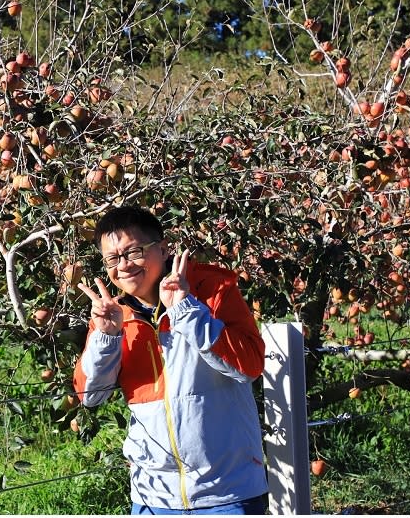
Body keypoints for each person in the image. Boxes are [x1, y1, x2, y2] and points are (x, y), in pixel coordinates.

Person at [72, 205, 268, 515]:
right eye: (112, 258)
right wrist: (106, 337)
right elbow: (90, 396)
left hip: (227, 492)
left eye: (134, 252)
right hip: (153, 496)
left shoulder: (212, 290)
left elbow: (250, 366)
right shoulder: (113, 315)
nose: (122, 266)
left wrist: (186, 311)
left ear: (163, 249)